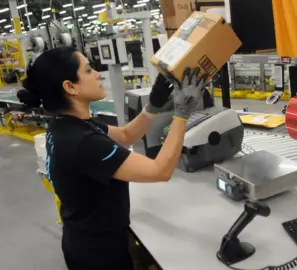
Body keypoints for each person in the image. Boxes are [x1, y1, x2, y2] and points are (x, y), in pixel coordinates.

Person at [17, 47, 208, 270]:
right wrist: (182, 115)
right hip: (100, 256)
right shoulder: (82, 142)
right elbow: (160, 171)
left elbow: (126, 136)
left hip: (84, 239)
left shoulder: (67, 123)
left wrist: (152, 107)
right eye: (88, 70)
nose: (98, 74)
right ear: (70, 87)